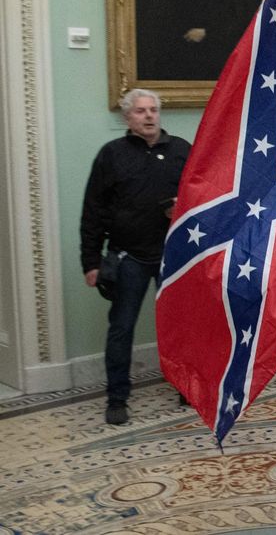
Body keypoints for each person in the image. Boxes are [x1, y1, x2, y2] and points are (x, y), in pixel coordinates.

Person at [80, 89, 190, 425]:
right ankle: (117, 398)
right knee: (122, 327)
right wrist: (91, 261)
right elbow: (93, 209)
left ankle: (188, 387)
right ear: (127, 117)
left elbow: (202, 196)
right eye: (140, 111)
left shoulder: (181, 150)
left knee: (181, 325)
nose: (149, 116)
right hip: (128, 256)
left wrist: (181, 208)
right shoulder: (111, 154)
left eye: (153, 109)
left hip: (174, 254)